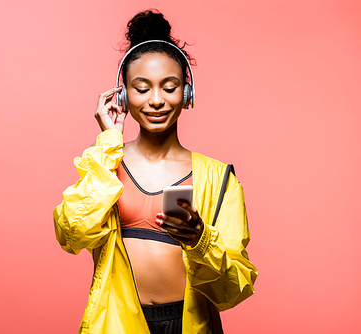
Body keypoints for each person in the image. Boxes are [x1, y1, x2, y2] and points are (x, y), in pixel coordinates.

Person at [53, 9, 257, 334]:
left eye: (169, 86)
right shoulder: (107, 165)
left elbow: (234, 290)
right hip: (117, 324)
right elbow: (71, 234)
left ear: (186, 93)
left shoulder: (220, 179)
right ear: (123, 95)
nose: (157, 101)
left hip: (191, 325)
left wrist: (200, 239)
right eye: (142, 88)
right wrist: (109, 143)